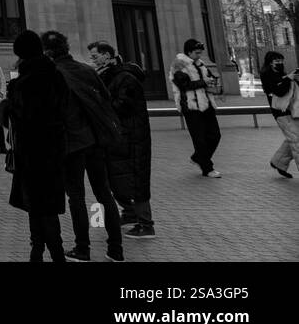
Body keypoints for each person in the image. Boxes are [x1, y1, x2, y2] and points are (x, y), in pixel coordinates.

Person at [41, 30, 124, 263]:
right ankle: (116, 249)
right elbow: (105, 98)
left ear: (46, 52)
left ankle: (82, 248)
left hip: (72, 143)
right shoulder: (86, 70)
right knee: (103, 194)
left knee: (76, 196)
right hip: (96, 141)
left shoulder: (52, 74)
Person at [0, 30, 68, 262]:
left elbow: (19, 119)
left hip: (32, 154)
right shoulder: (56, 76)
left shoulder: (25, 83)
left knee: (38, 207)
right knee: (46, 206)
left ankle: (45, 251)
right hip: (54, 150)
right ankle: (43, 251)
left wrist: (6, 106)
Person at [87, 41, 155, 238]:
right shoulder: (108, 76)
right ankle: (130, 212)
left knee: (135, 178)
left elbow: (122, 106)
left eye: (95, 56)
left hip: (131, 137)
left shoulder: (125, 77)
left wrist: (99, 101)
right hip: (117, 136)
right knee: (115, 177)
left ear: (107, 56)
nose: (92, 60)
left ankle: (146, 223)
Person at [170, 38, 222, 178]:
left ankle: (198, 158)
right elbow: (184, 85)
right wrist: (203, 82)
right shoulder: (179, 65)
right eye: (197, 53)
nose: (199, 56)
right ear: (189, 52)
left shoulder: (200, 64)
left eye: (200, 53)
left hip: (206, 104)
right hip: (191, 106)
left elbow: (207, 78)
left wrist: (211, 82)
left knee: (215, 135)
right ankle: (207, 168)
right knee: (200, 139)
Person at [261, 50, 299, 178]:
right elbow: (279, 91)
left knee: (294, 139)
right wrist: (288, 79)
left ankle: (278, 162)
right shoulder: (266, 75)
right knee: (296, 141)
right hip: (281, 112)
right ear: (270, 62)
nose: (280, 63)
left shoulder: (281, 73)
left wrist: (293, 78)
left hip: (292, 110)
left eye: (281, 60)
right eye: (277, 61)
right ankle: (279, 162)